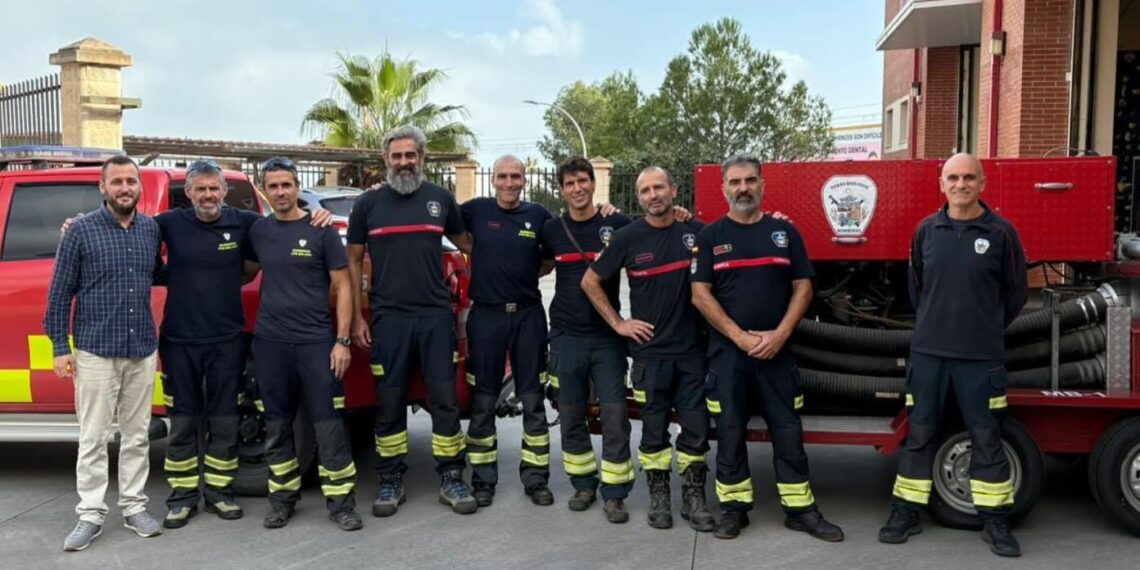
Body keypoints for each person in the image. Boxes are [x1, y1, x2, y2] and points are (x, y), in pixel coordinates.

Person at [878, 152, 1027, 557]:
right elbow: (917, 289)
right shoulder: (926, 231)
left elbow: (1015, 294)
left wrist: (984, 328)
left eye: (968, 178)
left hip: (981, 358)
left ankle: (995, 521)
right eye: (952, 178)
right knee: (919, 434)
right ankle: (906, 511)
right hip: (929, 355)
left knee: (987, 438)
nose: (960, 185)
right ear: (941, 184)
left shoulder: (1001, 233)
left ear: (982, 183)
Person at [691, 154, 844, 541]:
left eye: (751, 180)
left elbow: (804, 287)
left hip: (778, 353)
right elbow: (700, 295)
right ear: (724, 187)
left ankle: (800, 510)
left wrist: (779, 335)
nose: (744, 188)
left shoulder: (784, 233)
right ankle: (733, 509)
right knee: (728, 432)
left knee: (788, 431)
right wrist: (739, 337)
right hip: (729, 355)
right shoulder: (710, 237)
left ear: (763, 184)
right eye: (736, 181)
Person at [346, 125, 477, 517]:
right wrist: (356, 319)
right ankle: (390, 480)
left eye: (411, 155)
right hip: (388, 320)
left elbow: (470, 245)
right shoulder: (368, 206)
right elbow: (352, 260)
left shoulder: (440, 199)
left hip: (435, 317)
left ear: (422, 158)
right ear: (385, 159)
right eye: (397, 156)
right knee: (389, 402)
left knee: (445, 401)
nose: (404, 162)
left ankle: (452, 477)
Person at [581, 166, 716, 532]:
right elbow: (590, 282)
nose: (653, 195)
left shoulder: (697, 233)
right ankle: (659, 497)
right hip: (649, 356)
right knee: (654, 433)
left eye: (659, 188)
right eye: (645, 191)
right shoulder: (626, 238)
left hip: (692, 354)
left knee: (695, 431)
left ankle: (693, 497)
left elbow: (739, 235)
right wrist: (619, 323)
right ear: (639, 198)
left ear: (674, 190)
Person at [46, 155, 165, 551]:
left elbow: (163, 273)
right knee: (94, 437)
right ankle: (91, 514)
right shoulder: (80, 231)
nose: (125, 188)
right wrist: (61, 348)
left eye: (131, 181)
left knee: (136, 437)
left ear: (139, 187)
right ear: (103, 187)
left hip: (141, 350)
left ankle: (134, 507)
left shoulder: (150, 230)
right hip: (96, 351)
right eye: (117, 182)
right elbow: (59, 294)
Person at [247, 157, 362, 531]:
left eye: (287, 185)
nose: (280, 192)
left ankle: (341, 503)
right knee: (278, 425)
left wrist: (342, 341)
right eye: (273, 185)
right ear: (264, 189)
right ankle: (282, 501)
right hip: (270, 344)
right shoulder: (258, 232)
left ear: (298, 187)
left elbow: (344, 286)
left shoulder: (321, 230)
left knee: (328, 425)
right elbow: (243, 270)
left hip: (316, 342)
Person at [541, 156, 635, 523]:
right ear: (561, 190)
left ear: (594, 184)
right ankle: (583, 484)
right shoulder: (551, 229)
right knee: (570, 414)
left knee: (614, 416)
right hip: (565, 335)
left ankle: (615, 493)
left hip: (608, 337)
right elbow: (540, 265)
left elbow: (658, 232)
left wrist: (679, 212)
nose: (577, 189)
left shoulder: (618, 223)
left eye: (583, 181)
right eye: (569, 184)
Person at [460, 155, 556, 507]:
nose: (510, 182)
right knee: (484, 401)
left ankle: (536, 480)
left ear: (525, 180)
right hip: (486, 317)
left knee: (532, 399)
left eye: (516, 176)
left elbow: (549, 259)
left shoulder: (539, 216)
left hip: (528, 317)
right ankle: (483, 480)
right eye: (503, 176)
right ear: (493, 180)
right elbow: (435, 216)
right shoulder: (475, 210)